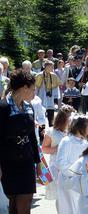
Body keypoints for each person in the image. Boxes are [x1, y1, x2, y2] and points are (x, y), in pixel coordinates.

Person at [0, 70, 41, 214]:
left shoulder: (29, 107)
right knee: (13, 204)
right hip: (8, 161)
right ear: (24, 87)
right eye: (33, 89)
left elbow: (32, 136)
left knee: (26, 201)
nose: (34, 93)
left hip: (27, 160)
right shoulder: (3, 107)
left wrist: (38, 162)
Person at [56, 114, 88, 214]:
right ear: (81, 128)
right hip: (68, 181)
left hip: (82, 182)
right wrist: (76, 173)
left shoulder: (85, 143)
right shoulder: (67, 141)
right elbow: (61, 163)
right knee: (68, 208)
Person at [41, 105, 75, 210]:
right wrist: (57, 148)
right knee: (61, 198)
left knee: (73, 196)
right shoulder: (52, 132)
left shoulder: (74, 132)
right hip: (57, 168)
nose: (72, 121)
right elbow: (44, 149)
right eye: (70, 118)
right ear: (63, 119)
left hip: (72, 167)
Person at [35, 60, 61, 126]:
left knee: (50, 110)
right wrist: (35, 97)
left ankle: (50, 124)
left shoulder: (54, 76)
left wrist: (56, 98)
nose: (52, 68)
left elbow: (56, 87)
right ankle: (42, 125)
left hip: (50, 95)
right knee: (41, 110)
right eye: (51, 67)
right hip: (41, 94)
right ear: (46, 67)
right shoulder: (39, 75)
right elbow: (36, 87)